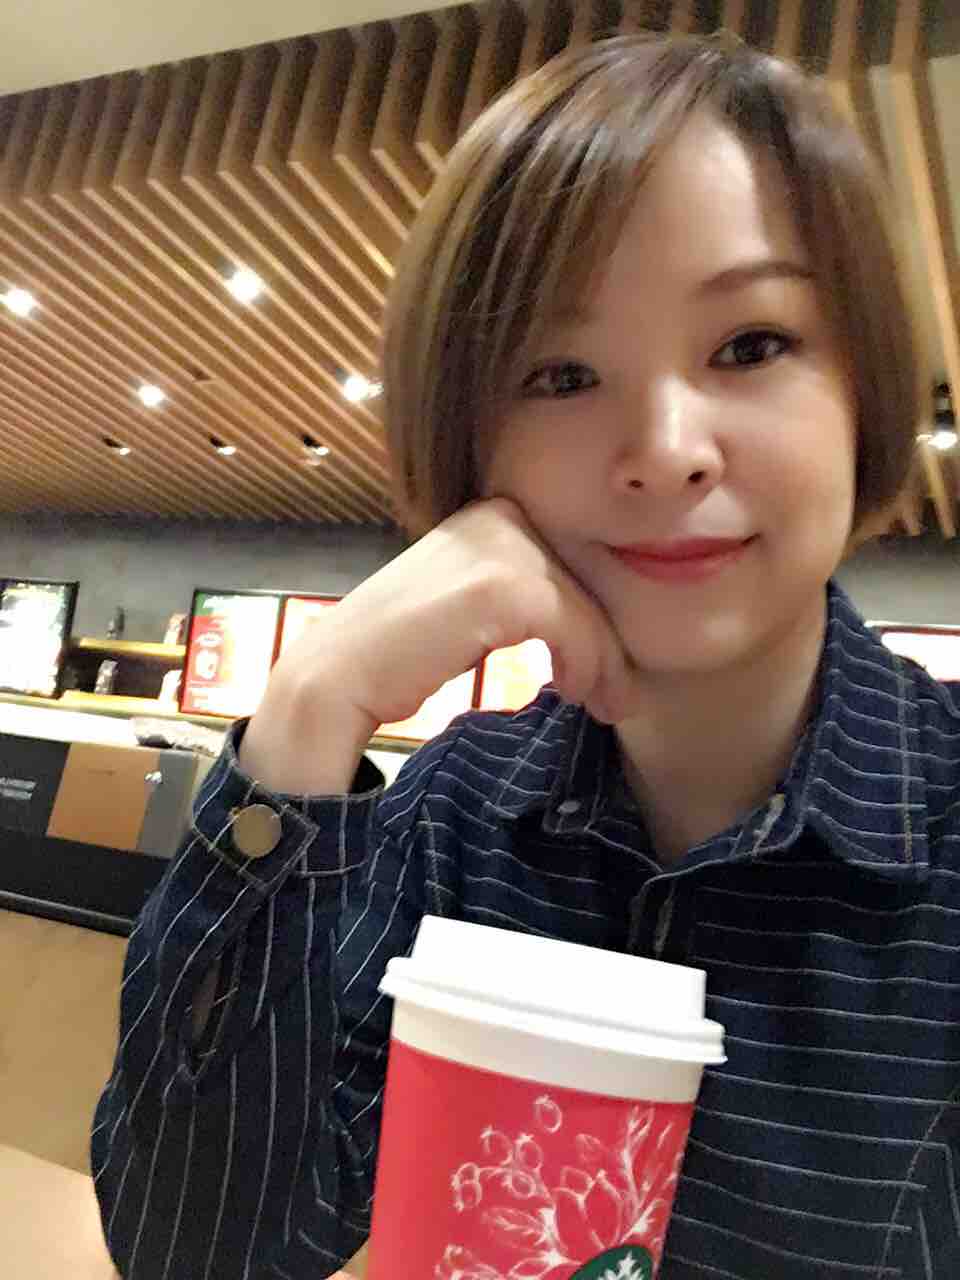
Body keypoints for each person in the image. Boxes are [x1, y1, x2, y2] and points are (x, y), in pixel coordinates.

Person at [90, 28, 960, 1280]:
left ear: (863, 388)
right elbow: (198, 1251)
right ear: (473, 440)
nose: (666, 450)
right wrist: (312, 704)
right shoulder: (456, 812)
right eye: (563, 373)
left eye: (750, 345)